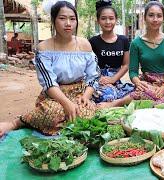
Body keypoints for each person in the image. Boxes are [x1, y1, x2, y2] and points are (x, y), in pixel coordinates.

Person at [0, 1, 99, 137]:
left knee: (85, 115)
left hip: (79, 92)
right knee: (53, 113)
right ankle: (17, 122)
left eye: (72, 19)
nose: (68, 23)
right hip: (54, 96)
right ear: (53, 20)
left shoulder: (85, 45)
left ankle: (63, 123)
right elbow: (49, 83)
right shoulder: (44, 48)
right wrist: (66, 104)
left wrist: (86, 96)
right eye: (62, 18)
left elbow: (93, 75)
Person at [97, 1, 164, 108]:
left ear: (163, 18)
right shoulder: (136, 43)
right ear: (144, 18)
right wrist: (137, 82)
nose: (155, 19)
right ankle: (116, 103)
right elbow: (133, 71)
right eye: (151, 15)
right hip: (146, 83)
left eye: (159, 16)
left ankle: (126, 102)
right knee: (142, 94)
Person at [89, 0, 134, 108]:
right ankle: (114, 102)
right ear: (98, 21)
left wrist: (114, 78)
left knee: (139, 92)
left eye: (111, 18)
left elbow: (126, 64)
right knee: (107, 95)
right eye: (103, 18)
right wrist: (101, 79)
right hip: (100, 80)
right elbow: (90, 66)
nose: (108, 22)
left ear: (116, 20)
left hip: (117, 79)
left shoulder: (123, 40)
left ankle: (113, 103)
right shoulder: (93, 41)